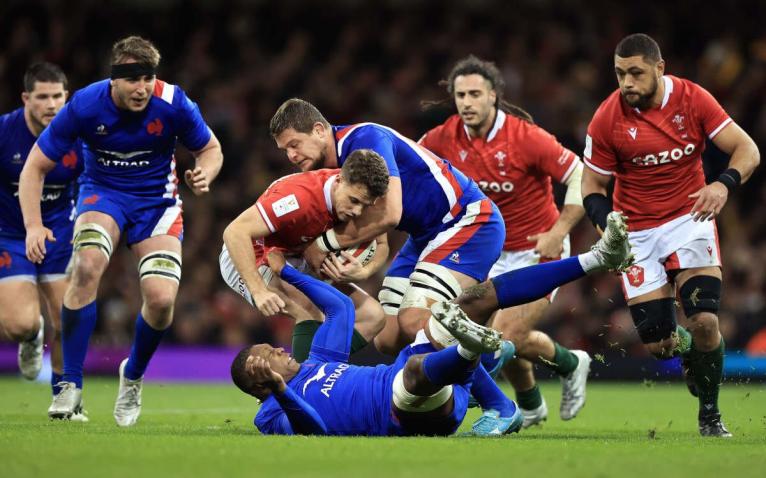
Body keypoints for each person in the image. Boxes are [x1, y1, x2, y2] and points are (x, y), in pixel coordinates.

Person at [230, 212, 633, 436]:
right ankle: (475, 359)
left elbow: (340, 310)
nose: (277, 350)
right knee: (416, 367)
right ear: (259, 384)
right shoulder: (270, 415)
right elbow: (313, 430)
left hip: (413, 374)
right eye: (265, 358)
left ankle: (594, 260)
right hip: (403, 413)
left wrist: (290, 274)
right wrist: (282, 391)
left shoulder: (316, 360)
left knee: (459, 310)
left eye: (268, 348)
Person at [19, 36, 224, 426]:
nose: (142, 88)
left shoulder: (174, 102)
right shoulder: (84, 105)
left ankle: (132, 376)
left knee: (162, 300)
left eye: (148, 78)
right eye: (133, 79)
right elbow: (34, 167)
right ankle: (70, 386)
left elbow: (211, 149)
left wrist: (205, 173)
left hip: (157, 204)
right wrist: (33, 225)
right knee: (87, 264)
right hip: (103, 195)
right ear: (114, 79)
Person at [581, 33, 760, 437]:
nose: (626, 82)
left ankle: (710, 416)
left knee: (705, 321)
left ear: (659, 69)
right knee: (659, 345)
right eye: (619, 73)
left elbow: (747, 149)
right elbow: (592, 186)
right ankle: (690, 358)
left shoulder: (693, 99)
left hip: (688, 219)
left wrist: (722, 184)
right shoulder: (606, 118)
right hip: (637, 233)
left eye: (636, 73)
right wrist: (608, 227)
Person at [419, 55, 589, 427]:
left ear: (493, 96)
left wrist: (559, 231)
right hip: (486, 253)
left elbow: (581, 174)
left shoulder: (525, 137)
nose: (466, 102)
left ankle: (563, 369)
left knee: (502, 334)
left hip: (537, 250)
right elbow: (412, 173)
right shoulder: (441, 138)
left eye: (475, 94)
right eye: (460, 94)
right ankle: (535, 401)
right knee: (492, 335)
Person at [269, 99, 505, 356]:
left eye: (294, 144)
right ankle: (473, 322)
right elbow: (380, 240)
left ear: (318, 130)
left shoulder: (367, 138)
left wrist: (323, 244)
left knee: (413, 321)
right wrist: (364, 271)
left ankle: (487, 362)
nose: (291, 156)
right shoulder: (330, 174)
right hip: (423, 237)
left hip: (466, 219)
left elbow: (390, 214)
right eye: (284, 151)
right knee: (388, 337)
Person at [220, 149, 390, 362]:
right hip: (253, 255)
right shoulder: (298, 197)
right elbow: (235, 232)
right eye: (354, 201)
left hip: (297, 257)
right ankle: (301, 388)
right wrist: (258, 290)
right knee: (309, 309)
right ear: (339, 180)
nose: (357, 211)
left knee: (372, 316)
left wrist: (363, 271)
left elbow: (382, 244)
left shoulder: (368, 198)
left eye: (365, 205)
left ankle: (318, 375)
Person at [0, 62, 85, 417]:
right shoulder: (5, 133)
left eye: (57, 96)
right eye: (43, 97)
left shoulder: (78, 137)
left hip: (59, 232)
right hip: (9, 233)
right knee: (19, 325)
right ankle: (33, 337)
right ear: (25, 98)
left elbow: (92, 183)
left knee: (67, 317)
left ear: (66, 97)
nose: (51, 104)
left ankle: (66, 398)